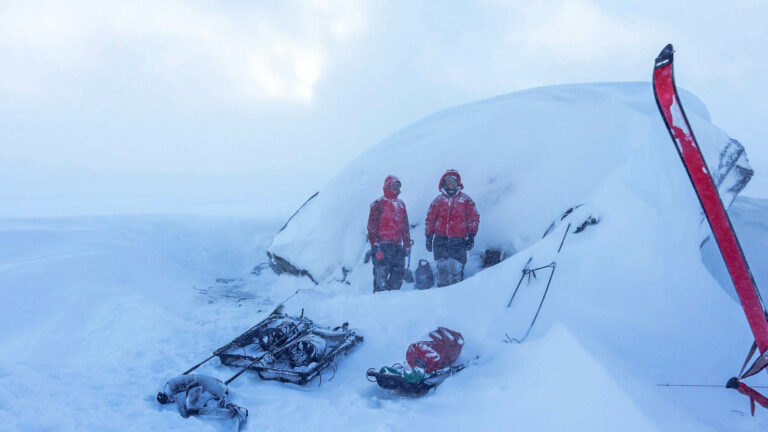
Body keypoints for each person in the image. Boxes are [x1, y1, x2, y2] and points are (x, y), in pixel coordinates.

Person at [425, 169, 480, 287]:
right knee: (442, 271)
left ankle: (457, 296)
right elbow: (430, 219)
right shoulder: (438, 200)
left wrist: (471, 236)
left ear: (457, 183)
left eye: (453, 182)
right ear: (444, 183)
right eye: (448, 182)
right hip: (440, 240)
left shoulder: (466, 200)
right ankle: (442, 298)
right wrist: (429, 237)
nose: (451, 184)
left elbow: (474, 218)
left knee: (456, 270)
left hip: (458, 240)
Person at [367, 175, 411, 293]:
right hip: (382, 246)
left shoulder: (401, 205)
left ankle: (393, 307)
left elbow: (405, 227)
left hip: (397, 247)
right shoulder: (378, 203)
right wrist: (375, 246)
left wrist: (407, 245)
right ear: (387, 187)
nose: (396, 189)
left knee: (397, 280)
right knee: (381, 281)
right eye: (393, 186)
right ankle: (378, 305)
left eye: (398, 186)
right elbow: (371, 227)